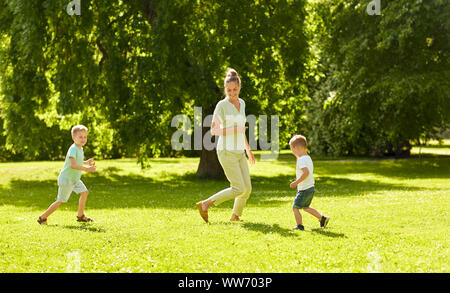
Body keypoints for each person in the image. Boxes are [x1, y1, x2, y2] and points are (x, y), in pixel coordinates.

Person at [196, 68, 255, 223]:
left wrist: (248, 151)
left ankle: (235, 216)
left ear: (239, 88)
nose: (232, 93)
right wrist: (235, 129)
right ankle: (205, 204)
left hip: (239, 152)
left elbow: (242, 129)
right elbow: (214, 130)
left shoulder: (242, 103)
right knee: (238, 188)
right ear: (225, 89)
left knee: (247, 188)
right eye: (229, 90)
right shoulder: (221, 105)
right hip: (226, 151)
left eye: (235, 89)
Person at [37, 125, 96, 225]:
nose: (83, 139)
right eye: (80, 137)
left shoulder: (80, 148)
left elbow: (78, 161)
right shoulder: (73, 149)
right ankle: (43, 217)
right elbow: (73, 165)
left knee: (84, 192)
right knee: (60, 201)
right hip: (66, 179)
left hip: (75, 179)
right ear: (74, 138)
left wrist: (86, 162)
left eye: (85, 137)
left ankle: (80, 216)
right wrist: (87, 169)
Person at [289, 134, 329, 230]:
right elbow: (303, 167)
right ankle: (322, 218)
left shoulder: (301, 160)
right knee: (306, 207)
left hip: (304, 189)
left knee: (295, 207)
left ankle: (300, 226)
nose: (292, 152)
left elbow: (306, 173)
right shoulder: (307, 158)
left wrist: (296, 182)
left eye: (292, 149)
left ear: (297, 148)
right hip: (310, 188)